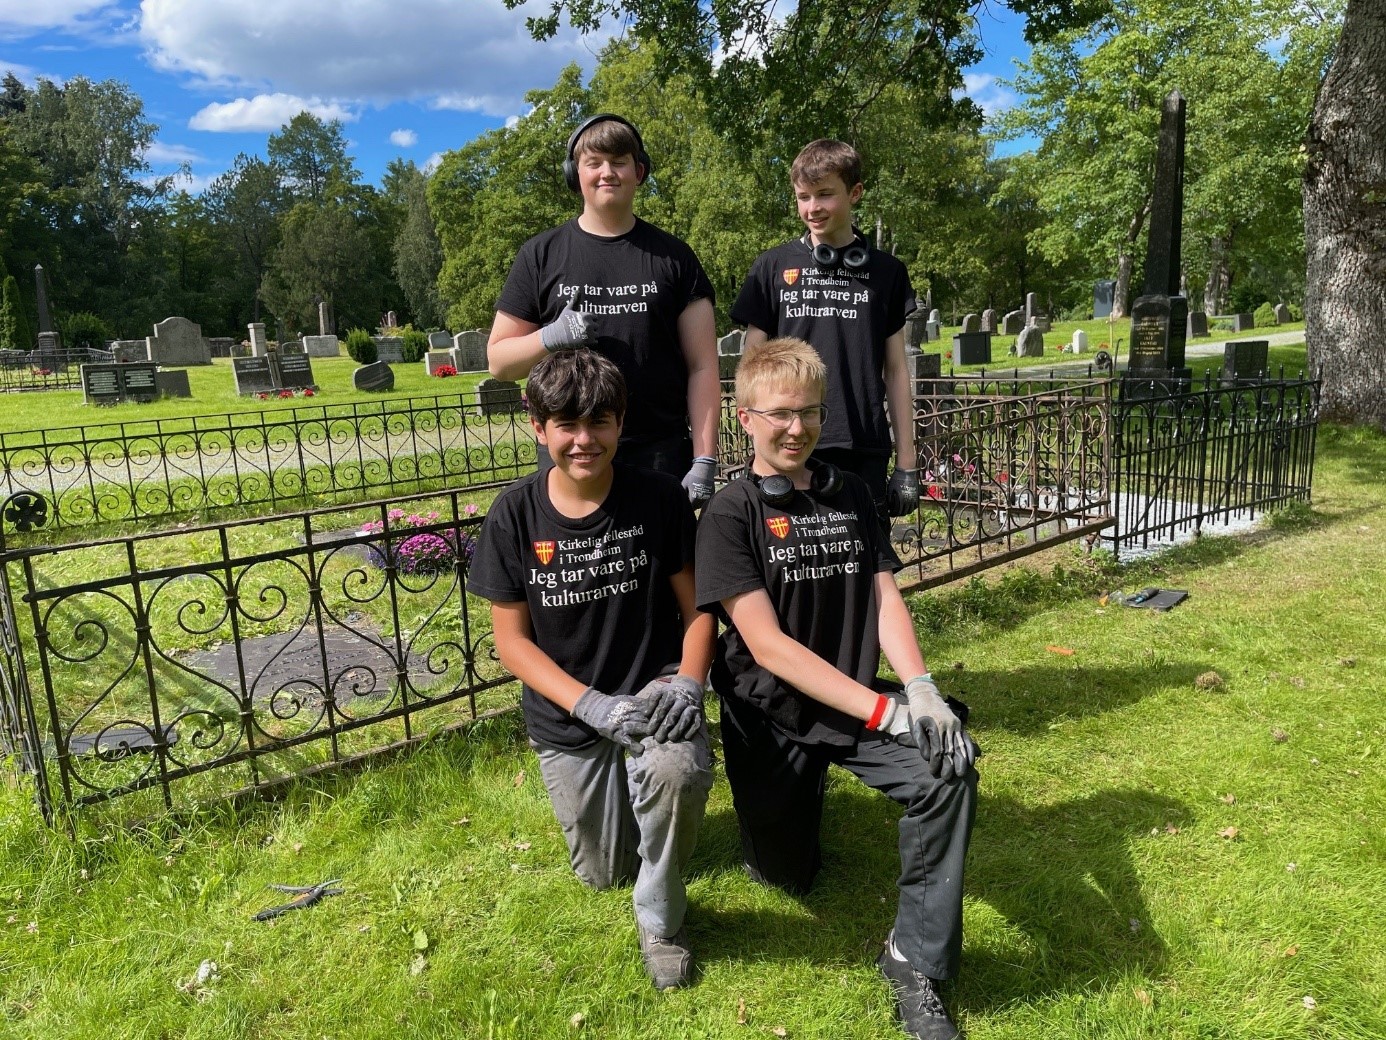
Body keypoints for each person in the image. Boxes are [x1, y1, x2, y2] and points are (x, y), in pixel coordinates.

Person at [695, 337, 978, 1040]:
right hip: (773, 710)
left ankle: (913, 961)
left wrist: (920, 689)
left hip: (851, 698)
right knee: (786, 876)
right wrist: (888, 711)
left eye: (811, 413)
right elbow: (767, 647)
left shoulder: (848, 492)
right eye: (781, 414)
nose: (797, 428)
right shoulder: (729, 515)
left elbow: (884, 596)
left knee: (947, 773)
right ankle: (790, 803)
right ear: (745, 417)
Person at [467, 348, 715, 990]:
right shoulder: (514, 516)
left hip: (654, 696)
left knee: (675, 773)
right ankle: (640, 815)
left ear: (621, 423)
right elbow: (511, 644)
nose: (584, 440)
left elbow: (699, 611)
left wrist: (688, 683)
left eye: (599, 422)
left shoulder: (658, 498)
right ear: (538, 427)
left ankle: (661, 921)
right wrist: (591, 706)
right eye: (567, 425)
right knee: (604, 873)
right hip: (571, 718)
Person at [487, 113, 721, 505]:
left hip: (659, 453)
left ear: (639, 172)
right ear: (574, 174)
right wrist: (550, 337)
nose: (607, 173)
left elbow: (703, 367)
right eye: (593, 163)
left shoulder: (675, 257)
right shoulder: (540, 255)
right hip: (572, 452)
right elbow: (499, 362)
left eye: (619, 162)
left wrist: (705, 458)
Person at [730, 139, 920, 521]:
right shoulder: (771, 267)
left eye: (825, 195)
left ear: (855, 193)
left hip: (862, 447)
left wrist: (907, 462)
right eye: (803, 197)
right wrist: (756, 443)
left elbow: (897, 371)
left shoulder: (888, 273)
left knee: (866, 556)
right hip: (788, 441)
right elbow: (751, 367)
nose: (812, 208)